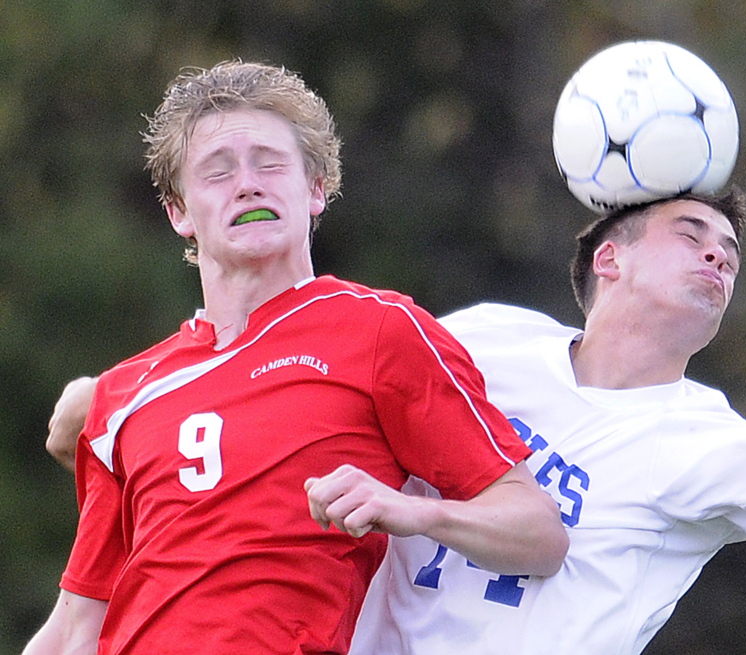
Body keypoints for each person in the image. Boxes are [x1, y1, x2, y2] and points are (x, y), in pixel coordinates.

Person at [23, 60, 567, 655]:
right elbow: (76, 626)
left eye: (270, 162)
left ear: (315, 189)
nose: (248, 184)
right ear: (179, 212)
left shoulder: (380, 331)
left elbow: (539, 534)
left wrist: (411, 512)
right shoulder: (127, 395)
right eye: (217, 171)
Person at [311, 189, 746, 654]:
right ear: (609, 258)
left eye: (730, 255)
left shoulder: (700, 439)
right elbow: (336, 408)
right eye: (691, 235)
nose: (718, 257)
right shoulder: (487, 340)